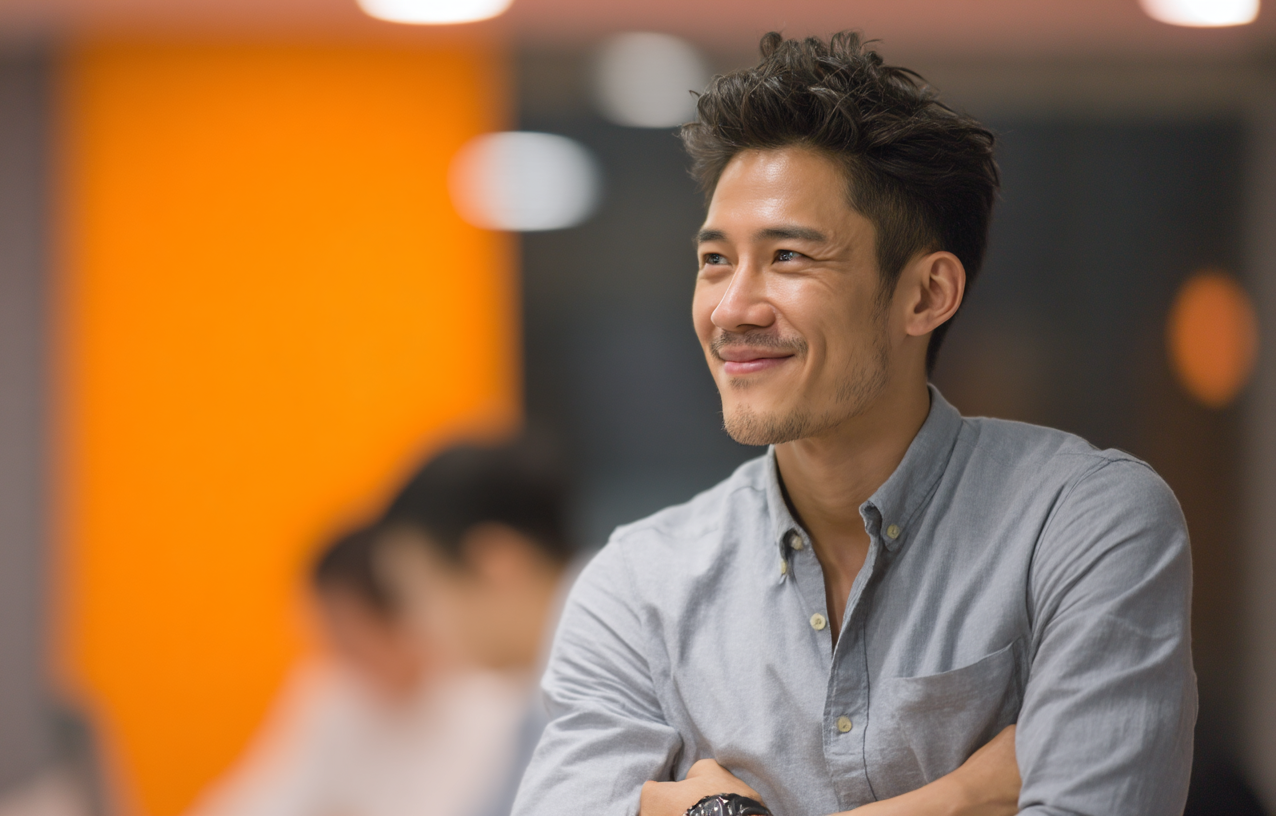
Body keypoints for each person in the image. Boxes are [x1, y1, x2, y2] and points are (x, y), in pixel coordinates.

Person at [510, 32, 1197, 816]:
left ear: (926, 295)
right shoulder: (640, 586)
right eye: (715, 260)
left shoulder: (1084, 522)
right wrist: (963, 796)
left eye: (789, 257)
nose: (732, 308)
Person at [189, 524, 524, 816]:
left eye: (349, 636)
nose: (336, 652)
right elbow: (257, 798)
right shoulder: (331, 691)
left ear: (403, 618)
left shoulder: (494, 702)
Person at [373, 438, 580, 816]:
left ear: (496, 562)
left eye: (419, 592)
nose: (415, 627)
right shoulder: (547, 689)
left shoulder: (613, 670)